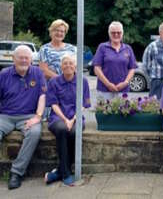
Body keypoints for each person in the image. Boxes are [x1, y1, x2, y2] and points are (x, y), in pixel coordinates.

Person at [0, 45, 46, 190]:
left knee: (34, 133)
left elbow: (42, 95)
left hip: (28, 116)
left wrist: (38, 116)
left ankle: (16, 172)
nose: (24, 60)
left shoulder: (37, 73)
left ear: (31, 60)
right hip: (5, 116)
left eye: (27, 58)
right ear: (14, 59)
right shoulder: (4, 73)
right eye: (20, 57)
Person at [44, 55, 91, 186]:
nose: (68, 65)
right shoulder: (54, 82)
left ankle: (60, 171)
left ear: (75, 66)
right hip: (58, 117)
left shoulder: (83, 81)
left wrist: (73, 119)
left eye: (71, 63)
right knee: (62, 129)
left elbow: (84, 104)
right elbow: (53, 104)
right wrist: (65, 119)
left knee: (74, 132)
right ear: (61, 66)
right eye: (65, 63)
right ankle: (65, 173)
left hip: (76, 117)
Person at [92, 21, 137, 101]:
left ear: (122, 33)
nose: (116, 35)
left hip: (123, 90)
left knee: (123, 113)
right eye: (113, 33)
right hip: (104, 90)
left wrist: (125, 83)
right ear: (109, 34)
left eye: (118, 32)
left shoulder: (128, 48)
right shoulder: (102, 47)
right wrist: (108, 84)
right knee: (104, 113)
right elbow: (97, 68)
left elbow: (132, 68)